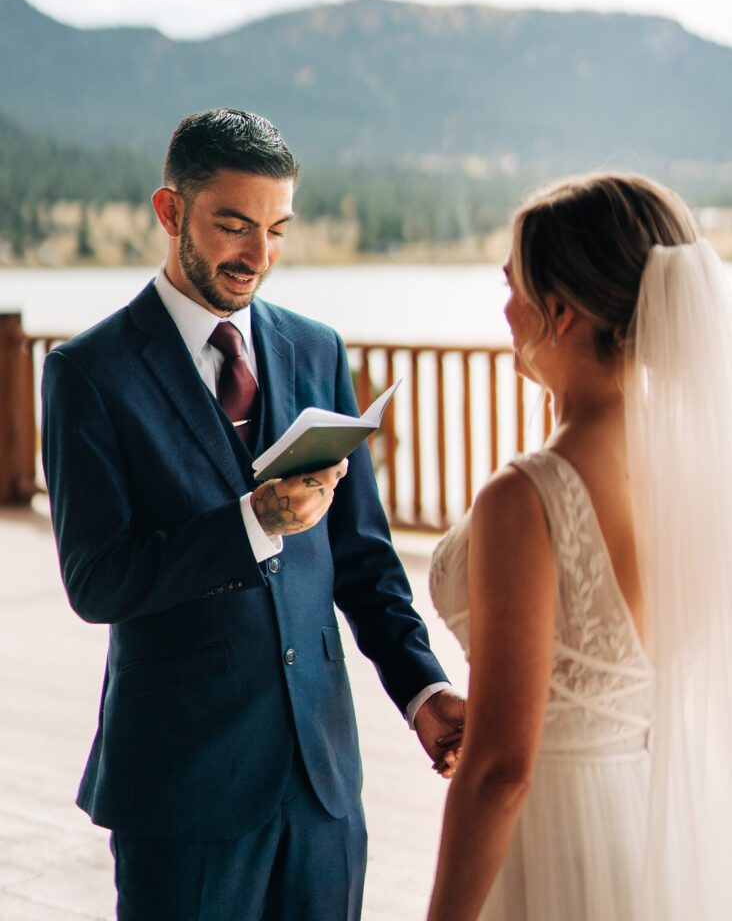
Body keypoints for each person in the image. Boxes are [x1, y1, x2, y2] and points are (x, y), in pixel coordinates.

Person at [41, 108, 464, 921]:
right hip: (181, 791)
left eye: (277, 229)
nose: (259, 256)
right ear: (171, 214)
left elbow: (365, 559)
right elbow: (97, 582)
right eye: (234, 226)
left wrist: (422, 689)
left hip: (322, 786)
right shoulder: (88, 373)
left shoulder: (317, 349)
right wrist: (252, 522)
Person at [427, 173, 732, 920]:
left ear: (558, 313)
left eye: (513, 287)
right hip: (641, 830)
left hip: (548, 846)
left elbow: (501, 771)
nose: (503, 309)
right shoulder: (700, 475)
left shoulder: (527, 497)